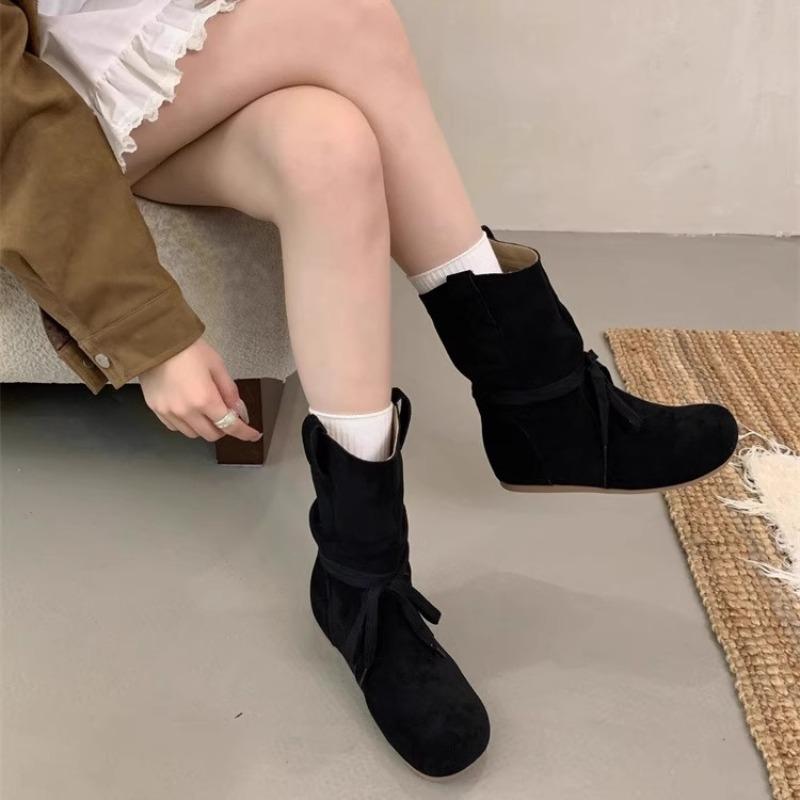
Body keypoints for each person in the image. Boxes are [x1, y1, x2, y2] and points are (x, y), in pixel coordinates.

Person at [1, 0, 738, 778]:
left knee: (332, 148)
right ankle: (545, 403)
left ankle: (361, 579)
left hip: (146, 69)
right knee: (350, 15)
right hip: (42, 114)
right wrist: (150, 336)